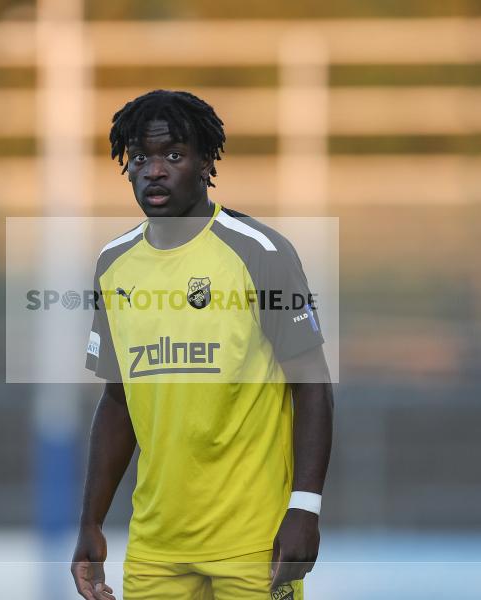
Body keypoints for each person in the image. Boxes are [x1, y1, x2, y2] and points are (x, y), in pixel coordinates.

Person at [71, 89, 334, 600]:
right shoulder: (113, 265)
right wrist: (92, 521)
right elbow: (118, 401)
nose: (154, 170)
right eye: (140, 157)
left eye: (173, 155)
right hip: (157, 545)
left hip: (256, 542)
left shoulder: (261, 252)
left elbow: (313, 386)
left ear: (206, 162)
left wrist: (305, 508)